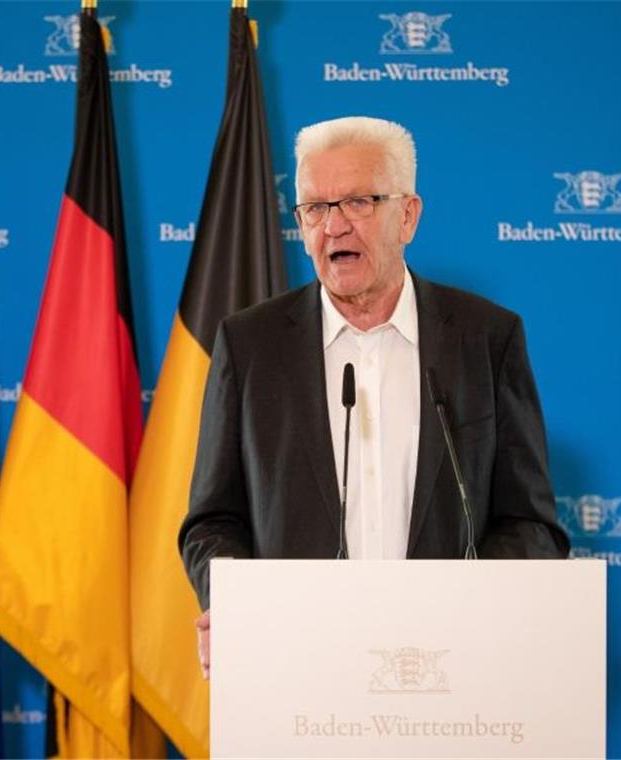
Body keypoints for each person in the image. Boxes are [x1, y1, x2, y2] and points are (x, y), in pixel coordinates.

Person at [178, 116, 569, 679]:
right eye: (314, 208)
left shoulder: (486, 338)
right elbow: (212, 519)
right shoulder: (249, 344)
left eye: (357, 202)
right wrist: (241, 603)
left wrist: (464, 610)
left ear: (408, 215)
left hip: (449, 675)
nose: (333, 227)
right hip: (299, 667)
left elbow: (531, 525)